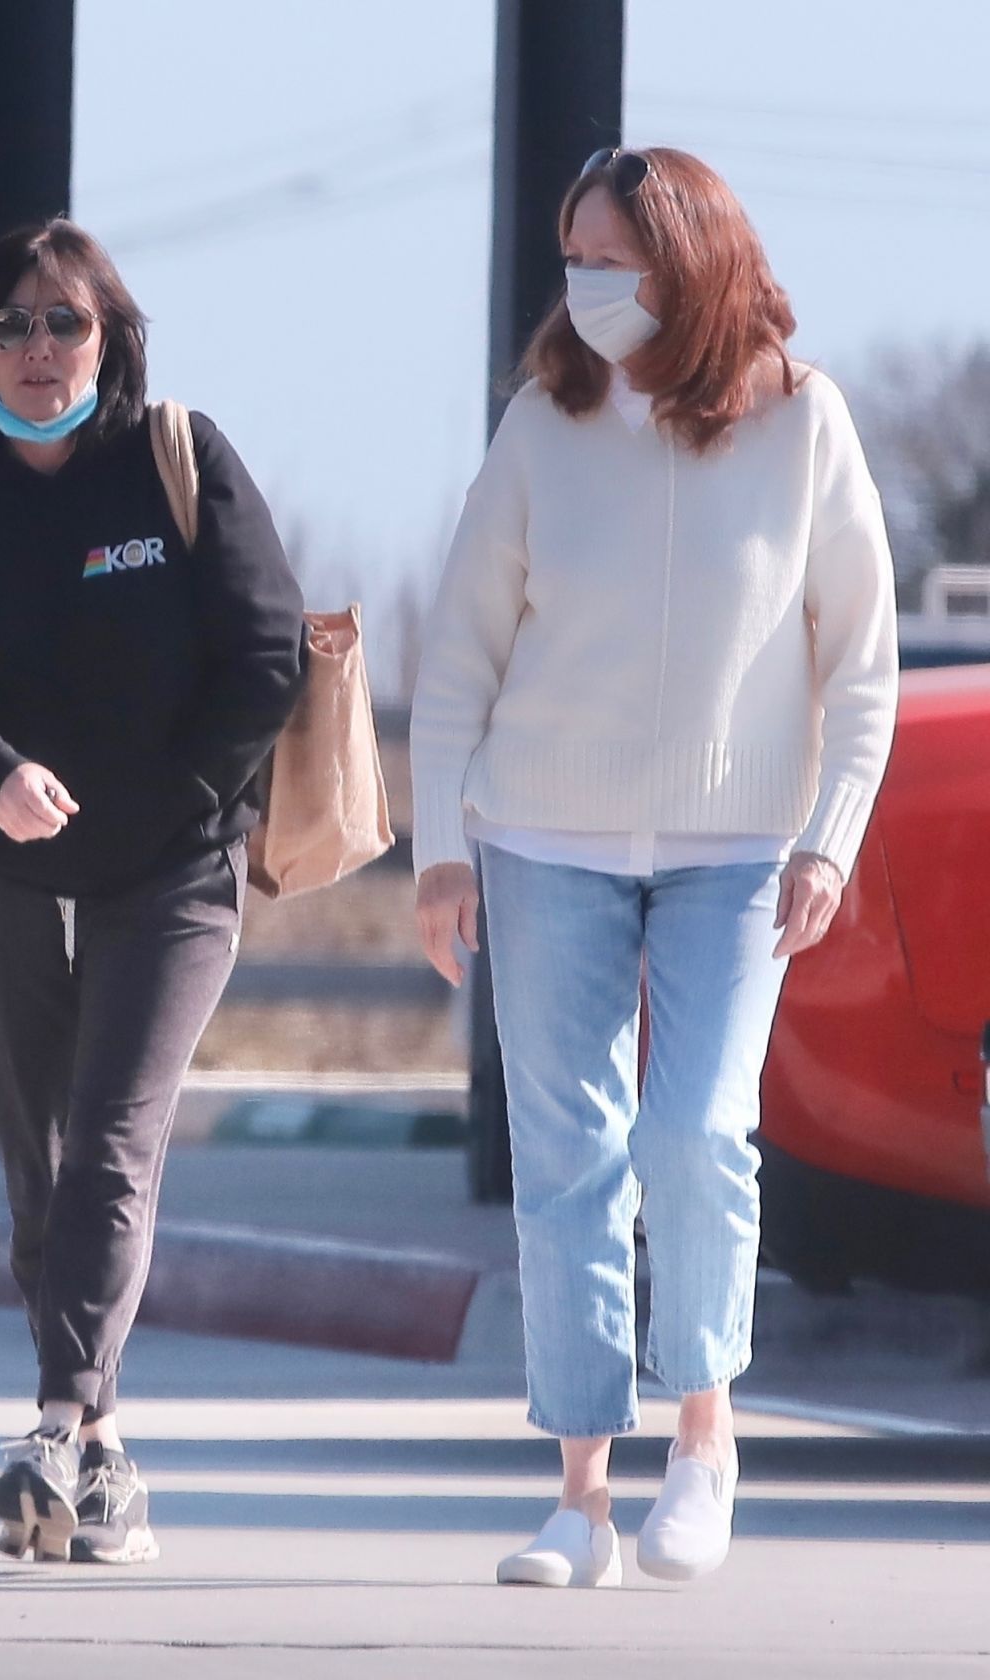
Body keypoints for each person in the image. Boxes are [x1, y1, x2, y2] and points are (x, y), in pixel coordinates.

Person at [410, 147, 898, 1588]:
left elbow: (860, 662)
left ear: (690, 261)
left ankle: (707, 1441)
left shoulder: (805, 421)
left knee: (694, 1135)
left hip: (739, 854)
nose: (586, 287)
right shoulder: (543, 419)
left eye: (611, 259)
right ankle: (580, 1498)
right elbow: (459, 657)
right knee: (567, 1163)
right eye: (573, 258)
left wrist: (832, 839)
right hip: (542, 839)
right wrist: (444, 853)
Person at [0, 218, 305, 1565]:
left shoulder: (176, 461)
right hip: (4, 862)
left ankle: (59, 1419)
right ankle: (105, 1461)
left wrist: (176, 801)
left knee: (112, 1139)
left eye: (65, 321)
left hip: (174, 866)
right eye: (11, 325)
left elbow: (265, 654)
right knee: (39, 1165)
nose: (41, 348)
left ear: (108, 333)